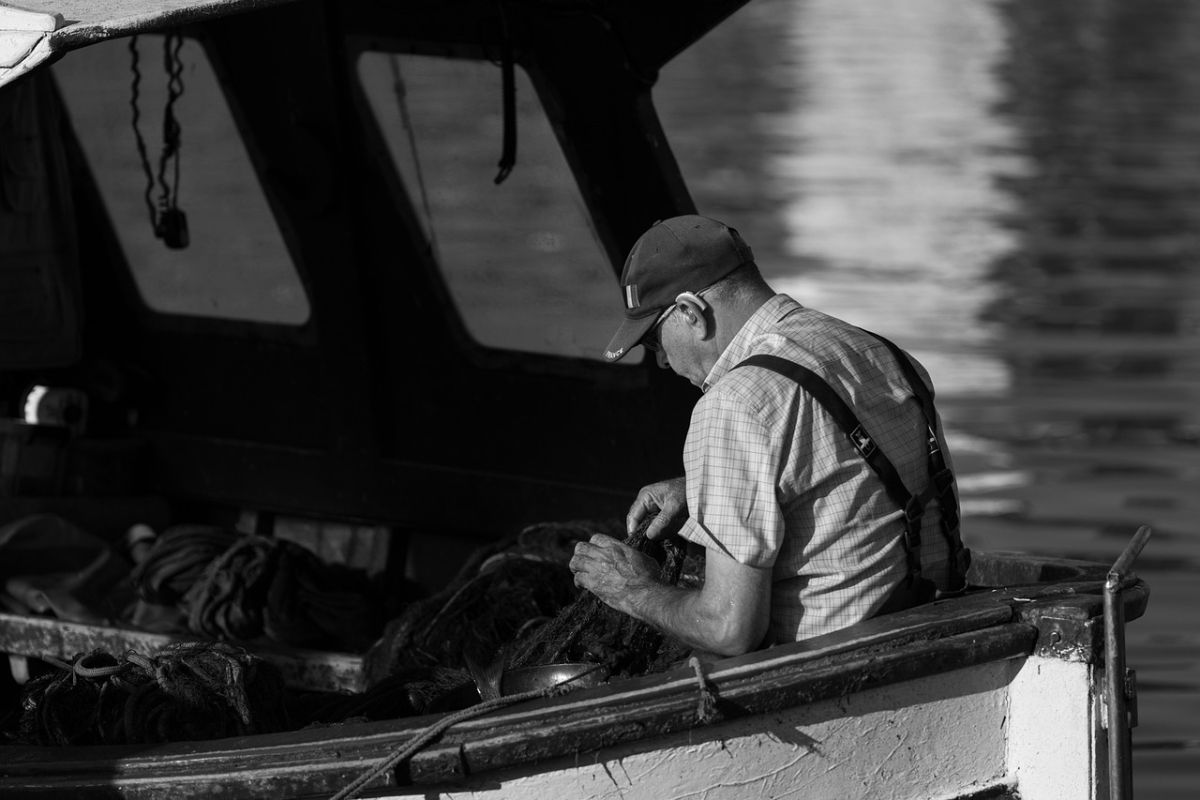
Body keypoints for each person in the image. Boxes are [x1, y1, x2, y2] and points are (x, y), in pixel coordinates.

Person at [569, 215, 969, 657]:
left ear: (690, 312)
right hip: (934, 631)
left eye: (654, 341)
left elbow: (729, 630)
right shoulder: (880, 350)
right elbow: (852, 477)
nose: (663, 361)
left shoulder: (733, 402)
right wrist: (704, 489)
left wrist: (632, 589)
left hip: (828, 668)